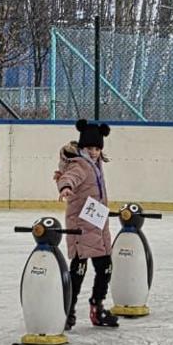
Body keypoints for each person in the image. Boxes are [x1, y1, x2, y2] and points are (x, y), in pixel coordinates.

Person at [57, 120, 118, 329]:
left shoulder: (97, 164)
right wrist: (65, 187)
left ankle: (97, 306)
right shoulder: (80, 165)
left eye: (97, 148)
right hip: (81, 226)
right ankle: (68, 311)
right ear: (82, 148)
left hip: (98, 226)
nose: (93, 152)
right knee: (78, 271)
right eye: (89, 148)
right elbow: (69, 177)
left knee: (106, 267)